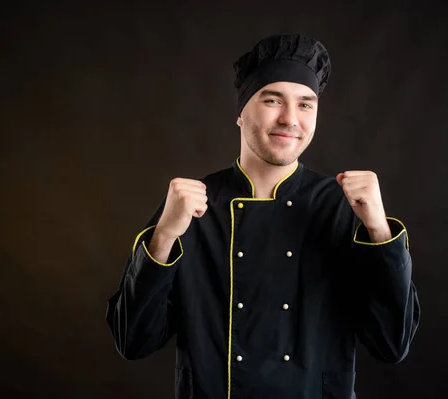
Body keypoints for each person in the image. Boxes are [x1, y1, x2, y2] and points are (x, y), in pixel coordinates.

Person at [106, 33, 420, 399]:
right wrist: (162, 239)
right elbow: (132, 340)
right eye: (272, 100)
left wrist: (380, 232)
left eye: (305, 105)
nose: (290, 119)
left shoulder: (345, 209)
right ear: (241, 113)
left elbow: (391, 346)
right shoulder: (190, 207)